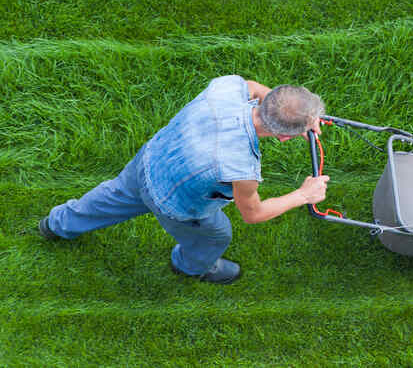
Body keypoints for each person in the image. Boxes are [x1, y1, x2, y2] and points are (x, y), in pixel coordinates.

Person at [38, 75, 329, 284]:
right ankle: (190, 267)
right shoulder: (241, 165)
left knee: (112, 196)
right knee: (217, 234)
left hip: (151, 160)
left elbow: (253, 88)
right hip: (175, 203)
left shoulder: (225, 88)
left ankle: (57, 224)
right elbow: (253, 213)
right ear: (283, 137)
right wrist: (303, 194)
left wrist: (297, 114)